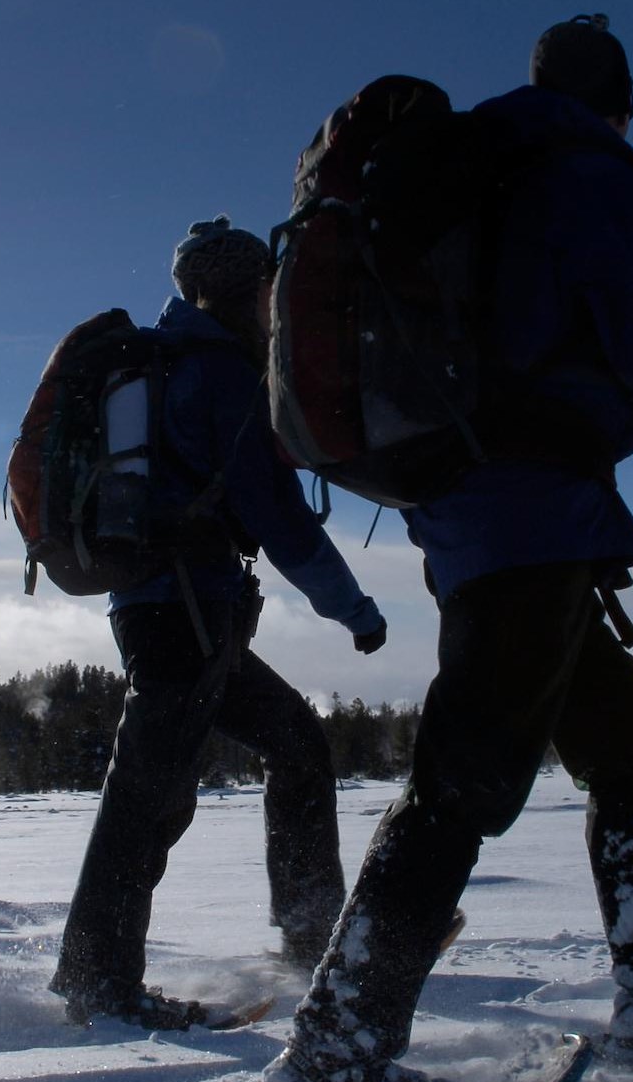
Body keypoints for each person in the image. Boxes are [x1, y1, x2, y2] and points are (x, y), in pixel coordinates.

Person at [259, 16, 633, 1082]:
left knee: (623, 747)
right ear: (616, 103)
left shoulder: (476, 174)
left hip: (487, 513)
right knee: (462, 782)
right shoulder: (579, 172)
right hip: (527, 516)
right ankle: (332, 1068)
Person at [50, 216, 390, 1030]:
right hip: (184, 613)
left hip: (175, 610)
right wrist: (354, 609)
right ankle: (97, 979)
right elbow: (274, 513)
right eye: (267, 289)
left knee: (297, 744)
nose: (275, 303)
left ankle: (312, 938)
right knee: (150, 792)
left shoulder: (170, 363)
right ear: (240, 291)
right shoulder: (218, 373)